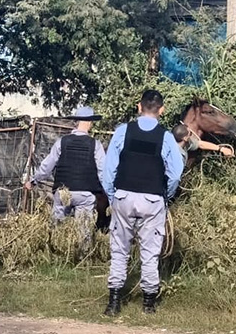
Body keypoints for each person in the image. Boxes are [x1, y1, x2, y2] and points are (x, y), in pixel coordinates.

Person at [101, 90, 184, 316]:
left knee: (119, 251)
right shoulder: (166, 137)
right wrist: (164, 195)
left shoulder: (122, 132)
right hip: (152, 199)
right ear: (162, 110)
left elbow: (108, 170)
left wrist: (112, 195)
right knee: (150, 252)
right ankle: (148, 304)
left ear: (139, 107)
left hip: (123, 196)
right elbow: (176, 174)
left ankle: (113, 303)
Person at [24, 106, 106, 252]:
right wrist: (108, 192)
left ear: (76, 122)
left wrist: (33, 181)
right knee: (84, 228)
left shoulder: (62, 142)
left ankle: (57, 252)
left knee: (58, 225)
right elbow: (103, 171)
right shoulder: (96, 145)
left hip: (63, 192)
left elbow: (47, 165)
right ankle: (82, 256)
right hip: (85, 194)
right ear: (89, 123)